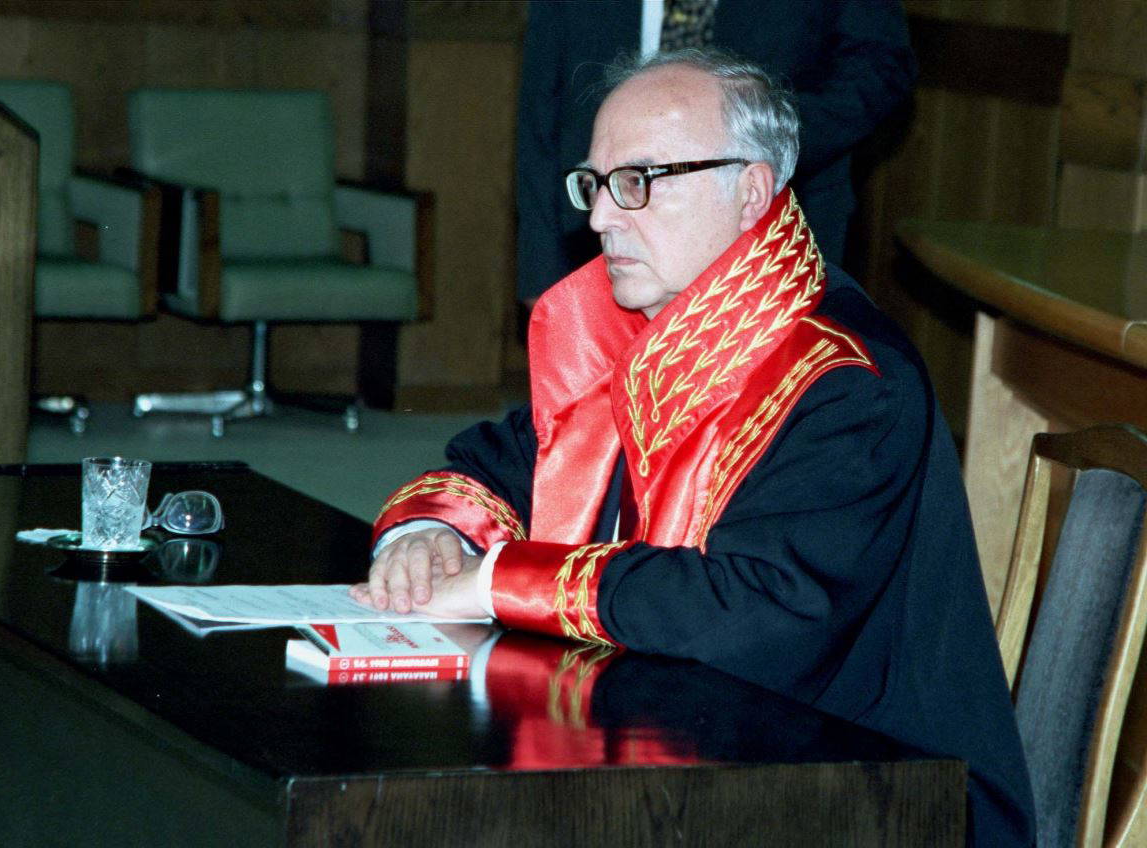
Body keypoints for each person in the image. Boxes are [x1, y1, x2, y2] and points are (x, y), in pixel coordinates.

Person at [353, 50, 1034, 846]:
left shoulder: (847, 383)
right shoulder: (640, 327)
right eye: (595, 184)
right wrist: (430, 534)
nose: (601, 217)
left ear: (751, 192)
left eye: (639, 182)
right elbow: (499, 463)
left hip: (866, 796)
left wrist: (499, 581)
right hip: (688, 754)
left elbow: (753, 614)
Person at [515, 0, 917, 305]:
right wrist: (539, 269)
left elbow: (880, 64)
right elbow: (539, 106)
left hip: (780, 227)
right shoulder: (601, 214)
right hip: (593, 229)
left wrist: (762, 136)